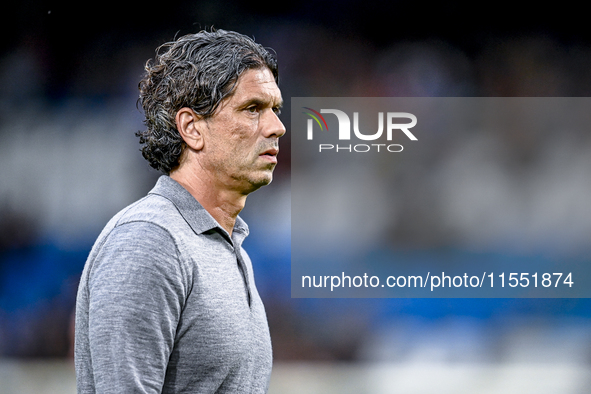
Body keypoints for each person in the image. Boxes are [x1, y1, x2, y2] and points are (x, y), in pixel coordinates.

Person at [74, 29, 286, 393]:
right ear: (191, 128)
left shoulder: (228, 246)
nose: (277, 127)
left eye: (275, 110)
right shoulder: (148, 241)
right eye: (252, 109)